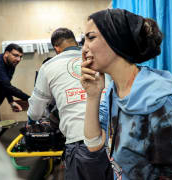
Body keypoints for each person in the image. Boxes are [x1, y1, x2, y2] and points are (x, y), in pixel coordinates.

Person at [80, 9, 172, 179]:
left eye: (91, 38)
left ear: (116, 39)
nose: (84, 49)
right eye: (84, 41)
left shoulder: (157, 100)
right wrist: (93, 95)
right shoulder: (113, 92)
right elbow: (94, 144)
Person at [27, 28, 112, 180]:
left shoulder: (49, 66)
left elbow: (35, 111)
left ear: (56, 48)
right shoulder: (97, 59)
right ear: (75, 41)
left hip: (80, 143)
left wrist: (31, 120)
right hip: (112, 140)